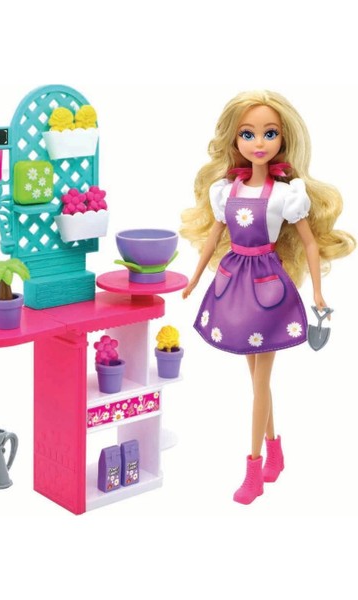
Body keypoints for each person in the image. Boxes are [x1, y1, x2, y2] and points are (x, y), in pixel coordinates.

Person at [180, 90, 355, 505]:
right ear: (234, 139)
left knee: (260, 383)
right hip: (233, 286)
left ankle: (254, 470)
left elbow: (309, 244)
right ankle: (275, 453)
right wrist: (194, 278)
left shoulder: (285, 195)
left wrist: (317, 291)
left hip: (268, 290)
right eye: (248, 134)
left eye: (269, 133)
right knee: (256, 380)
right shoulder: (226, 191)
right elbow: (214, 238)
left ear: (283, 138)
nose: (258, 142)